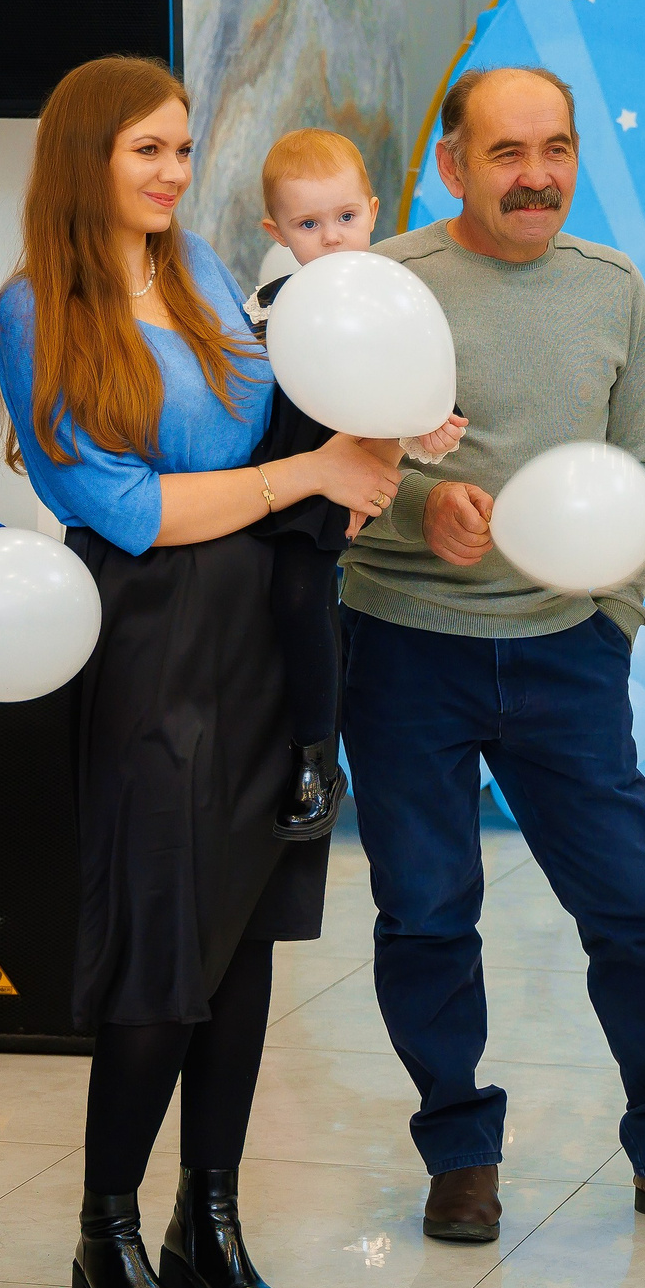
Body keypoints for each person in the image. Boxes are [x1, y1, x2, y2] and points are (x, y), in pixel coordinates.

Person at [0, 56, 397, 1288]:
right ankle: (104, 1228)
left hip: (269, 638)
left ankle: (206, 1218)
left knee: (243, 946)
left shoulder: (208, 273)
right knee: (165, 942)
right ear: (83, 162)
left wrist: (375, 441)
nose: (174, 172)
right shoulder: (31, 309)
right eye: (146, 151)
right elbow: (122, 508)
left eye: (181, 147)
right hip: (150, 640)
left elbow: (277, 430)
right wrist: (307, 477)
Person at [343, 64, 645, 1248]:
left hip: (564, 654)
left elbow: (642, 469)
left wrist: (610, 620)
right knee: (425, 914)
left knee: (632, 907)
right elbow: (343, 456)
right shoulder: (390, 289)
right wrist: (430, 509)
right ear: (453, 164)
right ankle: (459, 1152)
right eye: (508, 153)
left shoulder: (609, 287)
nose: (537, 177)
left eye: (557, 149)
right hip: (404, 647)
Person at [247, 128, 463, 835]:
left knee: (303, 596)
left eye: (346, 218)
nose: (332, 238)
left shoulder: (391, 297)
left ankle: (317, 757)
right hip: (268, 470)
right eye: (308, 225)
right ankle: (253, 746)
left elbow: (418, 386)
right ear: (276, 230)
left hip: (330, 489)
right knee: (246, 601)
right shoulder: (267, 303)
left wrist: (421, 433)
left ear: (372, 211)